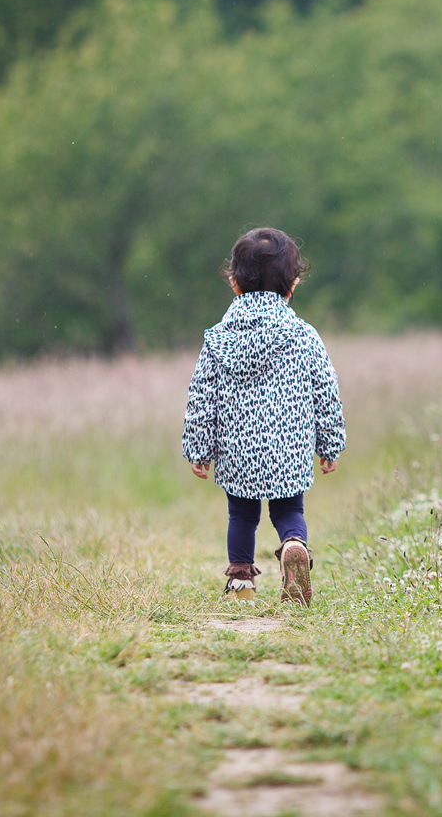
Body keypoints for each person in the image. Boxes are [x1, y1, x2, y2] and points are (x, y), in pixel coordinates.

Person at [181, 227, 346, 605]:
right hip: (289, 445)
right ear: (292, 285)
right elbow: (326, 390)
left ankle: (241, 584)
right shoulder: (304, 335)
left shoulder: (219, 338)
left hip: (238, 449)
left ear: (235, 283)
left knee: (241, 515)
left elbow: (201, 397)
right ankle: (293, 546)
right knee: (289, 508)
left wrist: (199, 448)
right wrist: (330, 443)